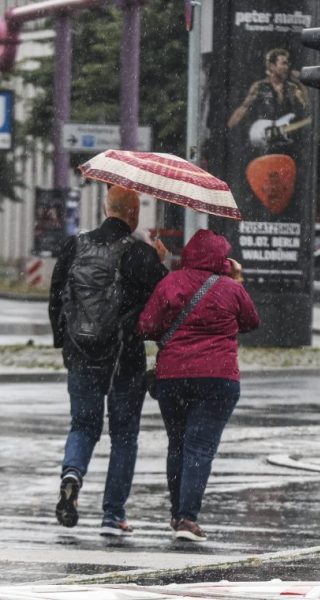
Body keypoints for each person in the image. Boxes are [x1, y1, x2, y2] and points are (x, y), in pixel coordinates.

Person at [48, 185, 168, 536]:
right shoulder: (141, 254)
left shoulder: (75, 245)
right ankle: (113, 515)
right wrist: (160, 262)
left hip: (81, 355)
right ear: (133, 214)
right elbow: (165, 300)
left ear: (105, 207)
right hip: (123, 359)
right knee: (124, 436)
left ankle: (72, 474)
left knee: (82, 426)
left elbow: (57, 297)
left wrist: (65, 343)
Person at [137, 229, 260, 542]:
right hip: (218, 378)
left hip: (173, 377)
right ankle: (188, 518)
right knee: (200, 447)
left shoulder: (171, 282)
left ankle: (178, 514)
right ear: (222, 258)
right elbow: (250, 322)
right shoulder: (231, 288)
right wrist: (237, 278)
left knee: (177, 443)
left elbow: (147, 326)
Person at [227, 47, 309, 154]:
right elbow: (244, 108)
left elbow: (306, 107)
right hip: (265, 142)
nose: (286, 67)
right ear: (272, 66)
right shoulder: (260, 87)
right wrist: (228, 128)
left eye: (287, 64)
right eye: (283, 63)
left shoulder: (292, 88)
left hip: (286, 144)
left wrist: (301, 83)